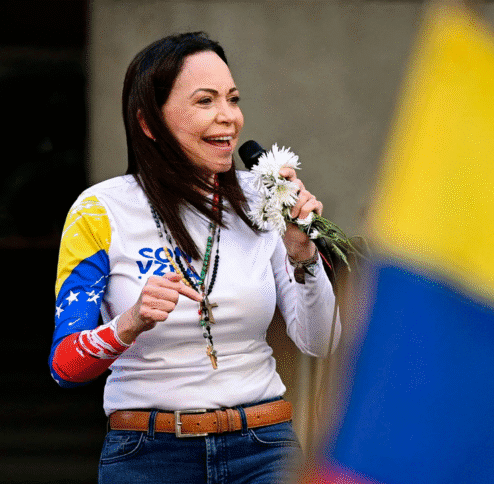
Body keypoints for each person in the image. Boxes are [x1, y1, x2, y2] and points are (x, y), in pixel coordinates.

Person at [48, 32, 339, 483]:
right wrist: (131, 322)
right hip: (148, 455)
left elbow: (322, 343)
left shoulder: (265, 197)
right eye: (205, 101)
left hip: (263, 449)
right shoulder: (99, 211)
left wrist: (303, 255)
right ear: (149, 123)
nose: (229, 118)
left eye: (233, 99)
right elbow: (65, 365)